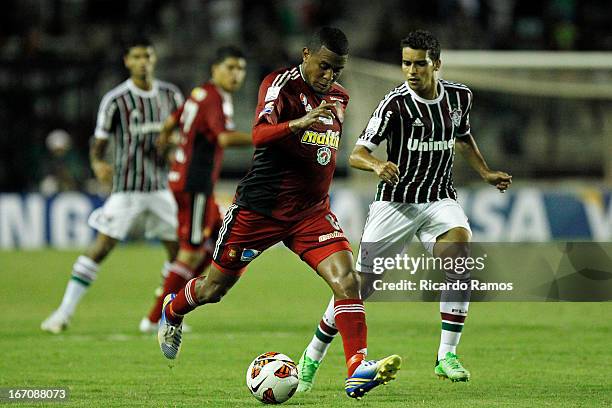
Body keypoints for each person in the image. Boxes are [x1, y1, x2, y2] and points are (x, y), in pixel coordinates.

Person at [157, 27, 401, 400]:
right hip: (260, 210)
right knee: (214, 288)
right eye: (323, 66)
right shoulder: (280, 85)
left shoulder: (340, 97)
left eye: (337, 69)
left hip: (311, 213)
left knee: (348, 281)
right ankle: (173, 311)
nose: (329, 76)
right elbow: (258, 135)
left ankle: (356, 369)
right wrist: (296, 124)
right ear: (306, 55)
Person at [295, 29, 512, 391]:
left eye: (419, 63)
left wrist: (485, 171)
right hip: (395, 204)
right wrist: (378, 166)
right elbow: (357, 153)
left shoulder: (460, 97)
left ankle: (447, 356)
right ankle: (311, 356)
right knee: (357, 288)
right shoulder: (394, 104)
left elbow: (462, 135)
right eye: (406, 63)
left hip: (440, 199)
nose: (411, 70)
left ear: (436, 64)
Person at [41, 37, 183, 334]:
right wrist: (97, 164)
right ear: (127, 62)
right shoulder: (117, 100)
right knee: (101, 247)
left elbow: (183, 137)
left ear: (154, 59)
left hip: (160, 189)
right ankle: (63, 313)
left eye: (147, 55)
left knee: (181, 254)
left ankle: (164, 316)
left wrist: (171, 148)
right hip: (127, 189)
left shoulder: (171, 96)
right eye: (137, 57)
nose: (143, 61)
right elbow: (100, 141)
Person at [139, 46, 252, 332]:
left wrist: (166, 144)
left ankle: (178, 300)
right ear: (214, 69)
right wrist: (267, 137)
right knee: (190, 252)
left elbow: (169, 122)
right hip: (195, 185)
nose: (236, 74)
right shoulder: (215, 98)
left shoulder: (199, 93)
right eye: (230, 67)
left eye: (240, 69)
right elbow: (224, 139)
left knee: (219, 242)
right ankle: (157, 317)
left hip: (188, 181)